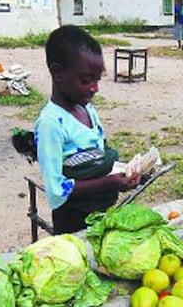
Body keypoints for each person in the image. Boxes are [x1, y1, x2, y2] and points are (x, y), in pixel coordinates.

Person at [35, 25, 142, 234]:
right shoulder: (51, 124)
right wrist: (109, 183)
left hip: (102, 213)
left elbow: (96, 156)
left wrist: (126, 173)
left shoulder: (87, 109)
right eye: (86, 80)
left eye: (97, 79)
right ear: (57, 72)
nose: (95, 88)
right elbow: (56, 192)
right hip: (73, 223)